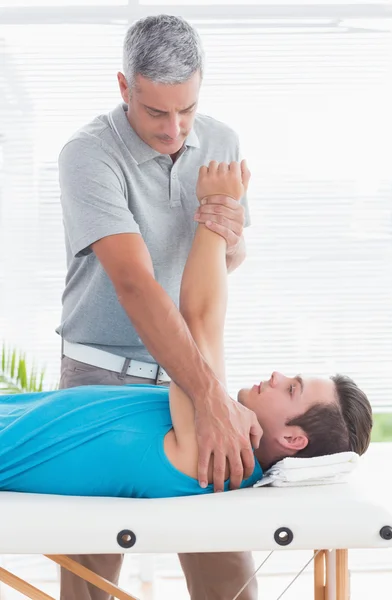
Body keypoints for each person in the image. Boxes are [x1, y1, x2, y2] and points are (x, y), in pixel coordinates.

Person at [0, 162, 372, 501]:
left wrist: (218, 201)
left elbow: (198, 319)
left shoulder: (216, 458)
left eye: (292, 388)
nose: (278, 375)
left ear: (292, 439)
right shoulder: (217, 424)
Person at [56, 14, 263, 600]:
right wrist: (209, 396)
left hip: (191, 364)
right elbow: (135, 285)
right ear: (125, 88)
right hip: (101, 374)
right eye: (156, 113)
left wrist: (228, 232)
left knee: (224, 560)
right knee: (91, 572)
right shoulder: (87, 155)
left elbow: (227, 259)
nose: (175, 130)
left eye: (187, 109)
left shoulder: (220, 141)